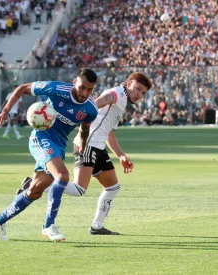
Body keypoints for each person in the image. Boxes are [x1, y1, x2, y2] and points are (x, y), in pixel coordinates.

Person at [17, 72, 153, 235]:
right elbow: (92, 106)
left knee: (113, 187)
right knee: (79, 189)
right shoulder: (116, 94)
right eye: (137, 88)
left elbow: (108, 133)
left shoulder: (121, 99)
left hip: (99, 146)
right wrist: (83, 119)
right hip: (88, 145)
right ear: (128, 82)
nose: (139, 94)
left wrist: (121, 155)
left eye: (143, 92)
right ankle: (34, 185)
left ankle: (97, 226)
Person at [0, 68, 99, 241]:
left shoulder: (91, 109)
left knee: (35, 191)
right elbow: (22, 88)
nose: (85, 93)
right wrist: (6, 110)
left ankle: (0, 218)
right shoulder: (56, 89)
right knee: (62, 176)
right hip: (41, 138)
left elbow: (84, 128)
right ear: (75, 82)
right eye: (82, 87)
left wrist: (83, 145)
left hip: (59, 145)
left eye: (90, 90)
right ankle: (49, 226)